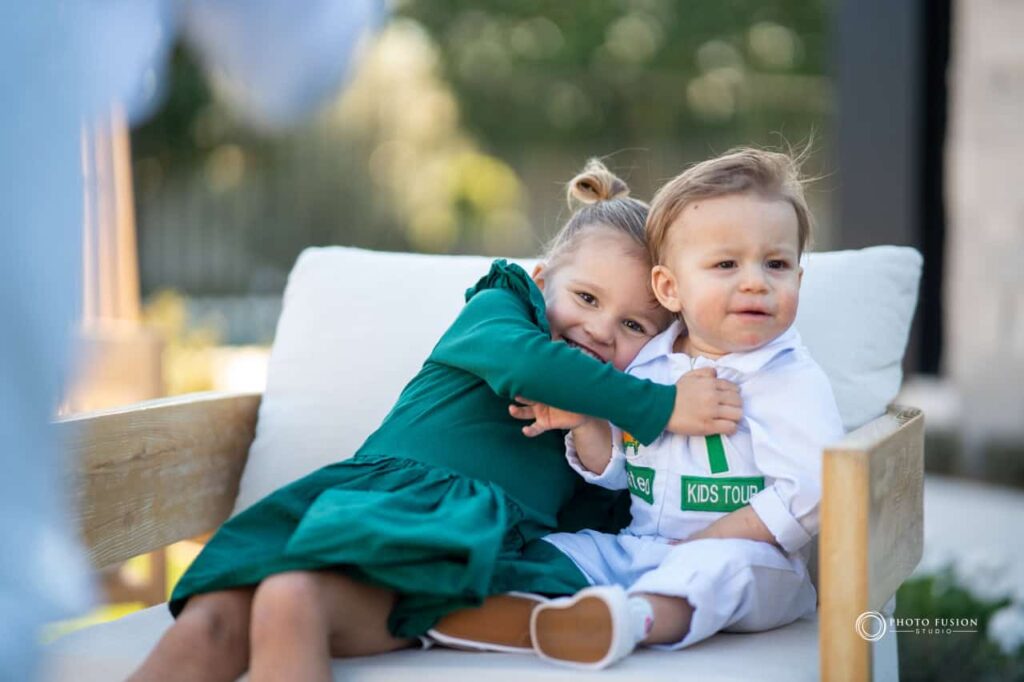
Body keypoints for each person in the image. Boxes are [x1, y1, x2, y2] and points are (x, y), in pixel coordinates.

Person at [128, 160, 742, 681]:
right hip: (376, 502)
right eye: (586, 298)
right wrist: (662, 406)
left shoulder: (608, 429)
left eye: (634, 325)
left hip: (459, 553)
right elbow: (528, 366)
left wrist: (604, 429)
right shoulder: (502, 310)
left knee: (289, 599)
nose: (601, 331)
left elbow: (615, 516)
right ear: (541, 280)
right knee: (212, 622)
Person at [435, 148, 845, 670]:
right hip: (641, 544)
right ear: (670, 288)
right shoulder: (648, 361)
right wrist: (587, 423)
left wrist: (707, 540)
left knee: (719, 572)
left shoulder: (786, 378)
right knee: (566, 548)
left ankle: (629, 622)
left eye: (777, 264)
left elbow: (811, 491)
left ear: (798, 281)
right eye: (726, 264)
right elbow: (622, 474)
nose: (755, 282)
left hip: (757, 559)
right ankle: (505, 611)